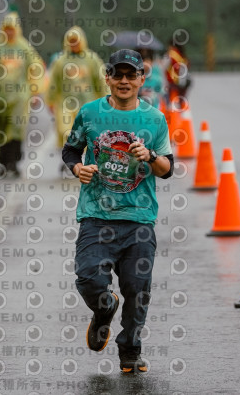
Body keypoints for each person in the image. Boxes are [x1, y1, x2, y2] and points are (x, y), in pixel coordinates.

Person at [61, 49, 174, 373]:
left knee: (137, 289)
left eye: (131, 75)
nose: (124, 81)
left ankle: (130, 351)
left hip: (139, 219)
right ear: (107, 77)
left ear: (142, 78)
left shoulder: (154, 119)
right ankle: (103, 309)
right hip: (97, 215)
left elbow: (168, 170)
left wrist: (150, 156)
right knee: (89, 278)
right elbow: (71, 149)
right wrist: (76, 168)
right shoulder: (90, 113)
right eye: (118, 75)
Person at [0, 12, 47, 178]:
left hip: (20, 95)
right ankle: (2, 163)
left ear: (17, 29)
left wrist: (35, 90)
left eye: (11, 29)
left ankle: (14, 162)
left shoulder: (24, 47)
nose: (9, 33)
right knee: (0, 128)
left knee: (16, 126)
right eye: (6, 29)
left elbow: (35, 67)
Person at [47, 26, 108, 170]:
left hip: (87, 103)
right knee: (65, 131)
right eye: (71, 41)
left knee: (86, 133)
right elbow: (54, 82)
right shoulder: (60, 61)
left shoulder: (91, 59)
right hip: (65, 103)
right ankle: (70, 160)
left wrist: (106, 99)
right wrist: (50, 100)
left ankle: (82, 161)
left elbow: (100, 80)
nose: (74, 44)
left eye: (76, 41)